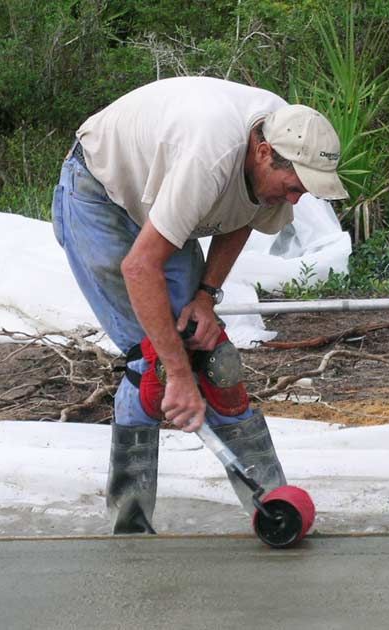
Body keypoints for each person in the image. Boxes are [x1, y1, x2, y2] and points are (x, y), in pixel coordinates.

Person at [51, 76, 348, 534]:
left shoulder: (285, 134)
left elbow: (247, 209)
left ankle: (275, 506)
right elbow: (139, 267)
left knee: (216, 360)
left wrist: (206, 297)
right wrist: (179, 377)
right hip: (99, 194)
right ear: (263, 152)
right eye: (293, 187)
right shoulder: (209, 157)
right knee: (149, 365)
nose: (296, 199)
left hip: (159, 203)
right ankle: (129, 528)